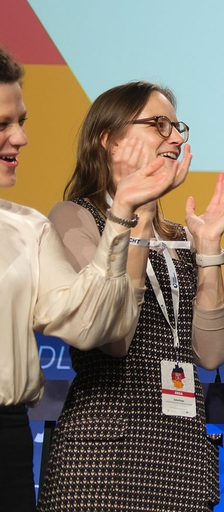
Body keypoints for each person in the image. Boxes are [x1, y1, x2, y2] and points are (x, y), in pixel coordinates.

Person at [37, 81, 224, 511]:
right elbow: (113, 337)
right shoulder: (75, 217)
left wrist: (208, 251)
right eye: (159, 124)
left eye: (178, 127)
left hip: (182, 457)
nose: (177, 138)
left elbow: (212, 354)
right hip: (104, 459)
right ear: (109, 140)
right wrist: (140, 215)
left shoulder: (179, 236)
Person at [0, 49, 181, 511]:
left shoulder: (28, 228)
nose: (20, 138)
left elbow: (95, 327)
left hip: (7, 437)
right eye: (3, 124)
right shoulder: (67, 217)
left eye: (21, 120)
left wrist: (124, 213)